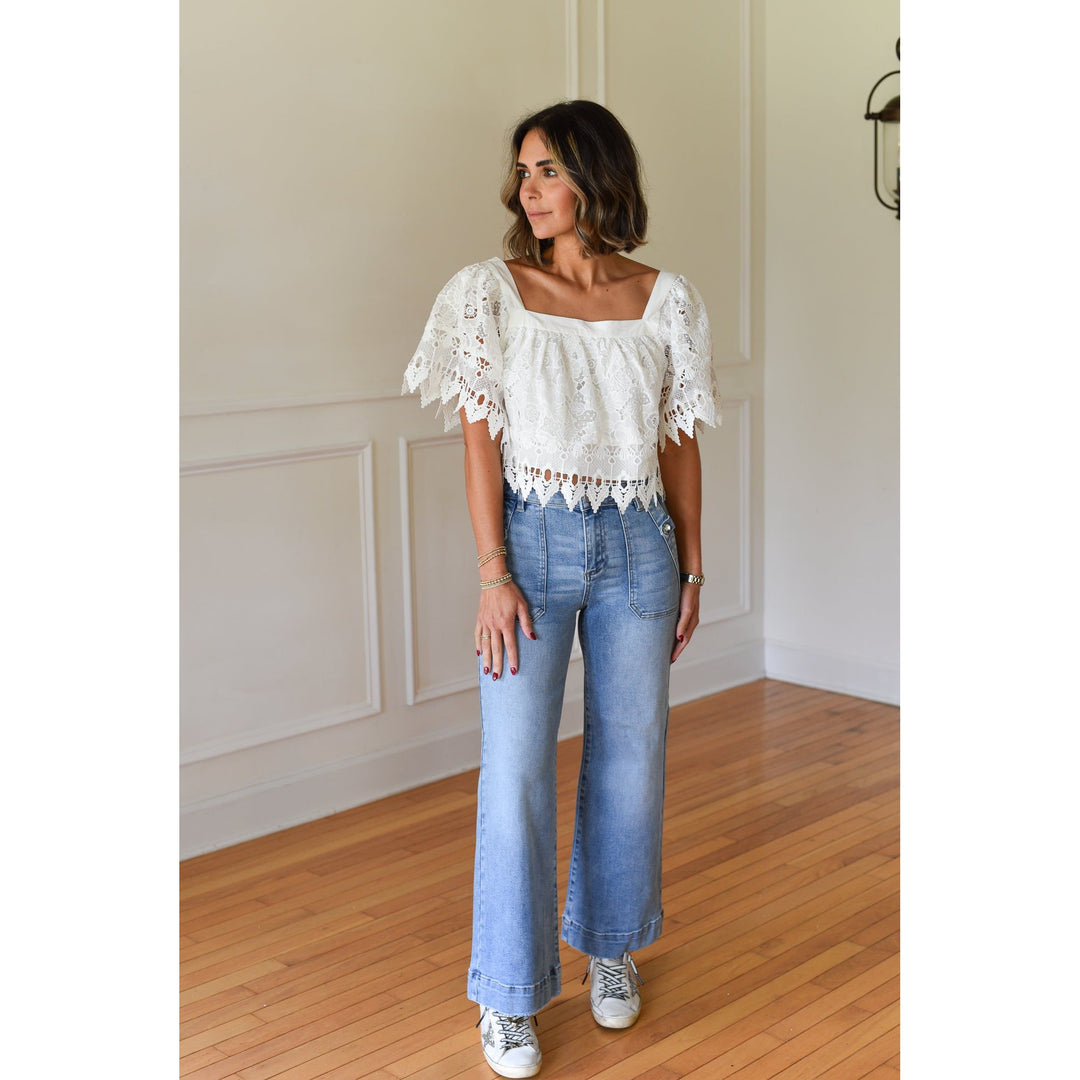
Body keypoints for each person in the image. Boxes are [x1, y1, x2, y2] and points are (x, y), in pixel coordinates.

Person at [403, 99, 720, 1079]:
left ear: (595, 173)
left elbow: (678, 445)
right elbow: (479, 442)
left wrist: (694, 565)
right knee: (518, 770)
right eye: (522, 173)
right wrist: (492, 571)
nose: (527, 190)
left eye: (545, 169)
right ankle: (508, 992)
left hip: (640, 548)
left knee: (633, 756)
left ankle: (610, 947)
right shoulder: (488, 293)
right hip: (531, 545)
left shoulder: (668, 301)